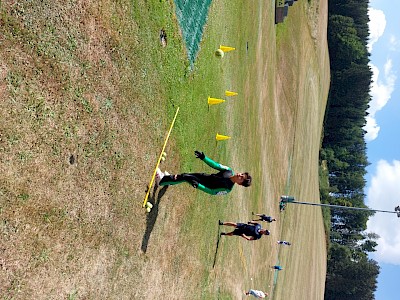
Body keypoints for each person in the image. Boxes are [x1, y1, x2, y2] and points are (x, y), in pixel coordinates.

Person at [156, 150, 252, 195]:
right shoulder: (229, 170)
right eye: (242, 174)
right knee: (184, 176)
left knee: (185, 177)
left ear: (240, 184)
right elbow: (215, 165)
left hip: (203, 184)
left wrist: (198, 185)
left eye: (242, 178)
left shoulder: (227, 189)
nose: (240, 175)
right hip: (204, 177)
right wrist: (204, 158)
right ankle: (169, 180)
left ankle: (161, 181)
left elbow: (212, 192)